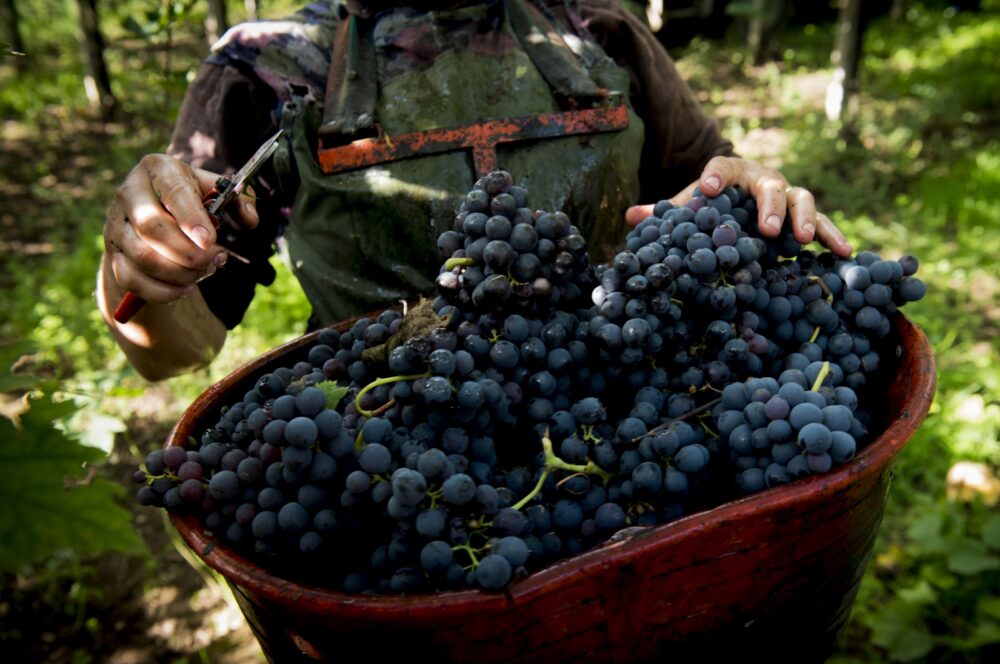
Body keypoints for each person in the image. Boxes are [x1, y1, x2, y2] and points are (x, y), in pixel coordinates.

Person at [97, 0, 852, 381]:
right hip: (405, 448)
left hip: (623, 409)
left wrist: (741, 190)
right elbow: (172, 353)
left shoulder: (598, 32)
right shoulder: (269, 69)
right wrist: (140, 267)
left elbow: (705, 183)